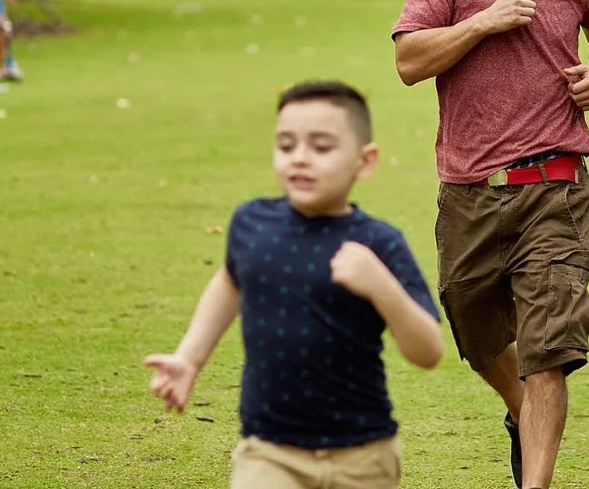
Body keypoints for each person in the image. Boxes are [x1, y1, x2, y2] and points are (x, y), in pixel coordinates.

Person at [391, 0, 589, 489]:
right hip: (469, 191)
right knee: (475, 329)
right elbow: (410, 62)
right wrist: (484, 22)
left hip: (555, 186)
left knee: (549, 348)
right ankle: (523, 413)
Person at [143, 81, 444, 489]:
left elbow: (427, 351)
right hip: (269, 452)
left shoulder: (378, 243)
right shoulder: (252, 224)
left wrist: (381, 285)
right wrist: (189, 359)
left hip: (363, 455)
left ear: (365, 161)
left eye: (321, 148)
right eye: (287, 146)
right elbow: (231, 282)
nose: (300, 159)